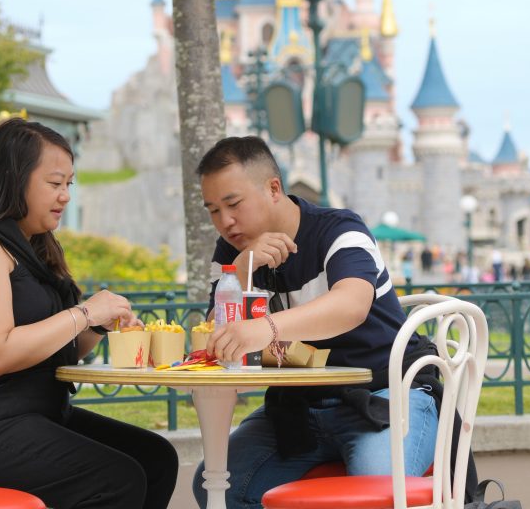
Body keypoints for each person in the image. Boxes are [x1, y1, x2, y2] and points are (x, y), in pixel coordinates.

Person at [0, 118, 177, 509]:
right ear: (14, 179)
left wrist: (98, 325)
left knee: (156, 460)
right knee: (117, 480)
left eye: (69, 184)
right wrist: (84, 312)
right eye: (54, 183)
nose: (65, 195)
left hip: (29, 410)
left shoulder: (34, 248)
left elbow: (60, 348)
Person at [192, 136, 452, 509]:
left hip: (386, 394)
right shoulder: (233, 253)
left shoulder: (339, 229)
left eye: (233, 204)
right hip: (298, 406)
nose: (225, 221)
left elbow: (351, 304)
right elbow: (216, 338)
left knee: (372, 498)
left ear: (274, 188)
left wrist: (266, 327)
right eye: (213, 210)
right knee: (216, 484)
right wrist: (242, 272)